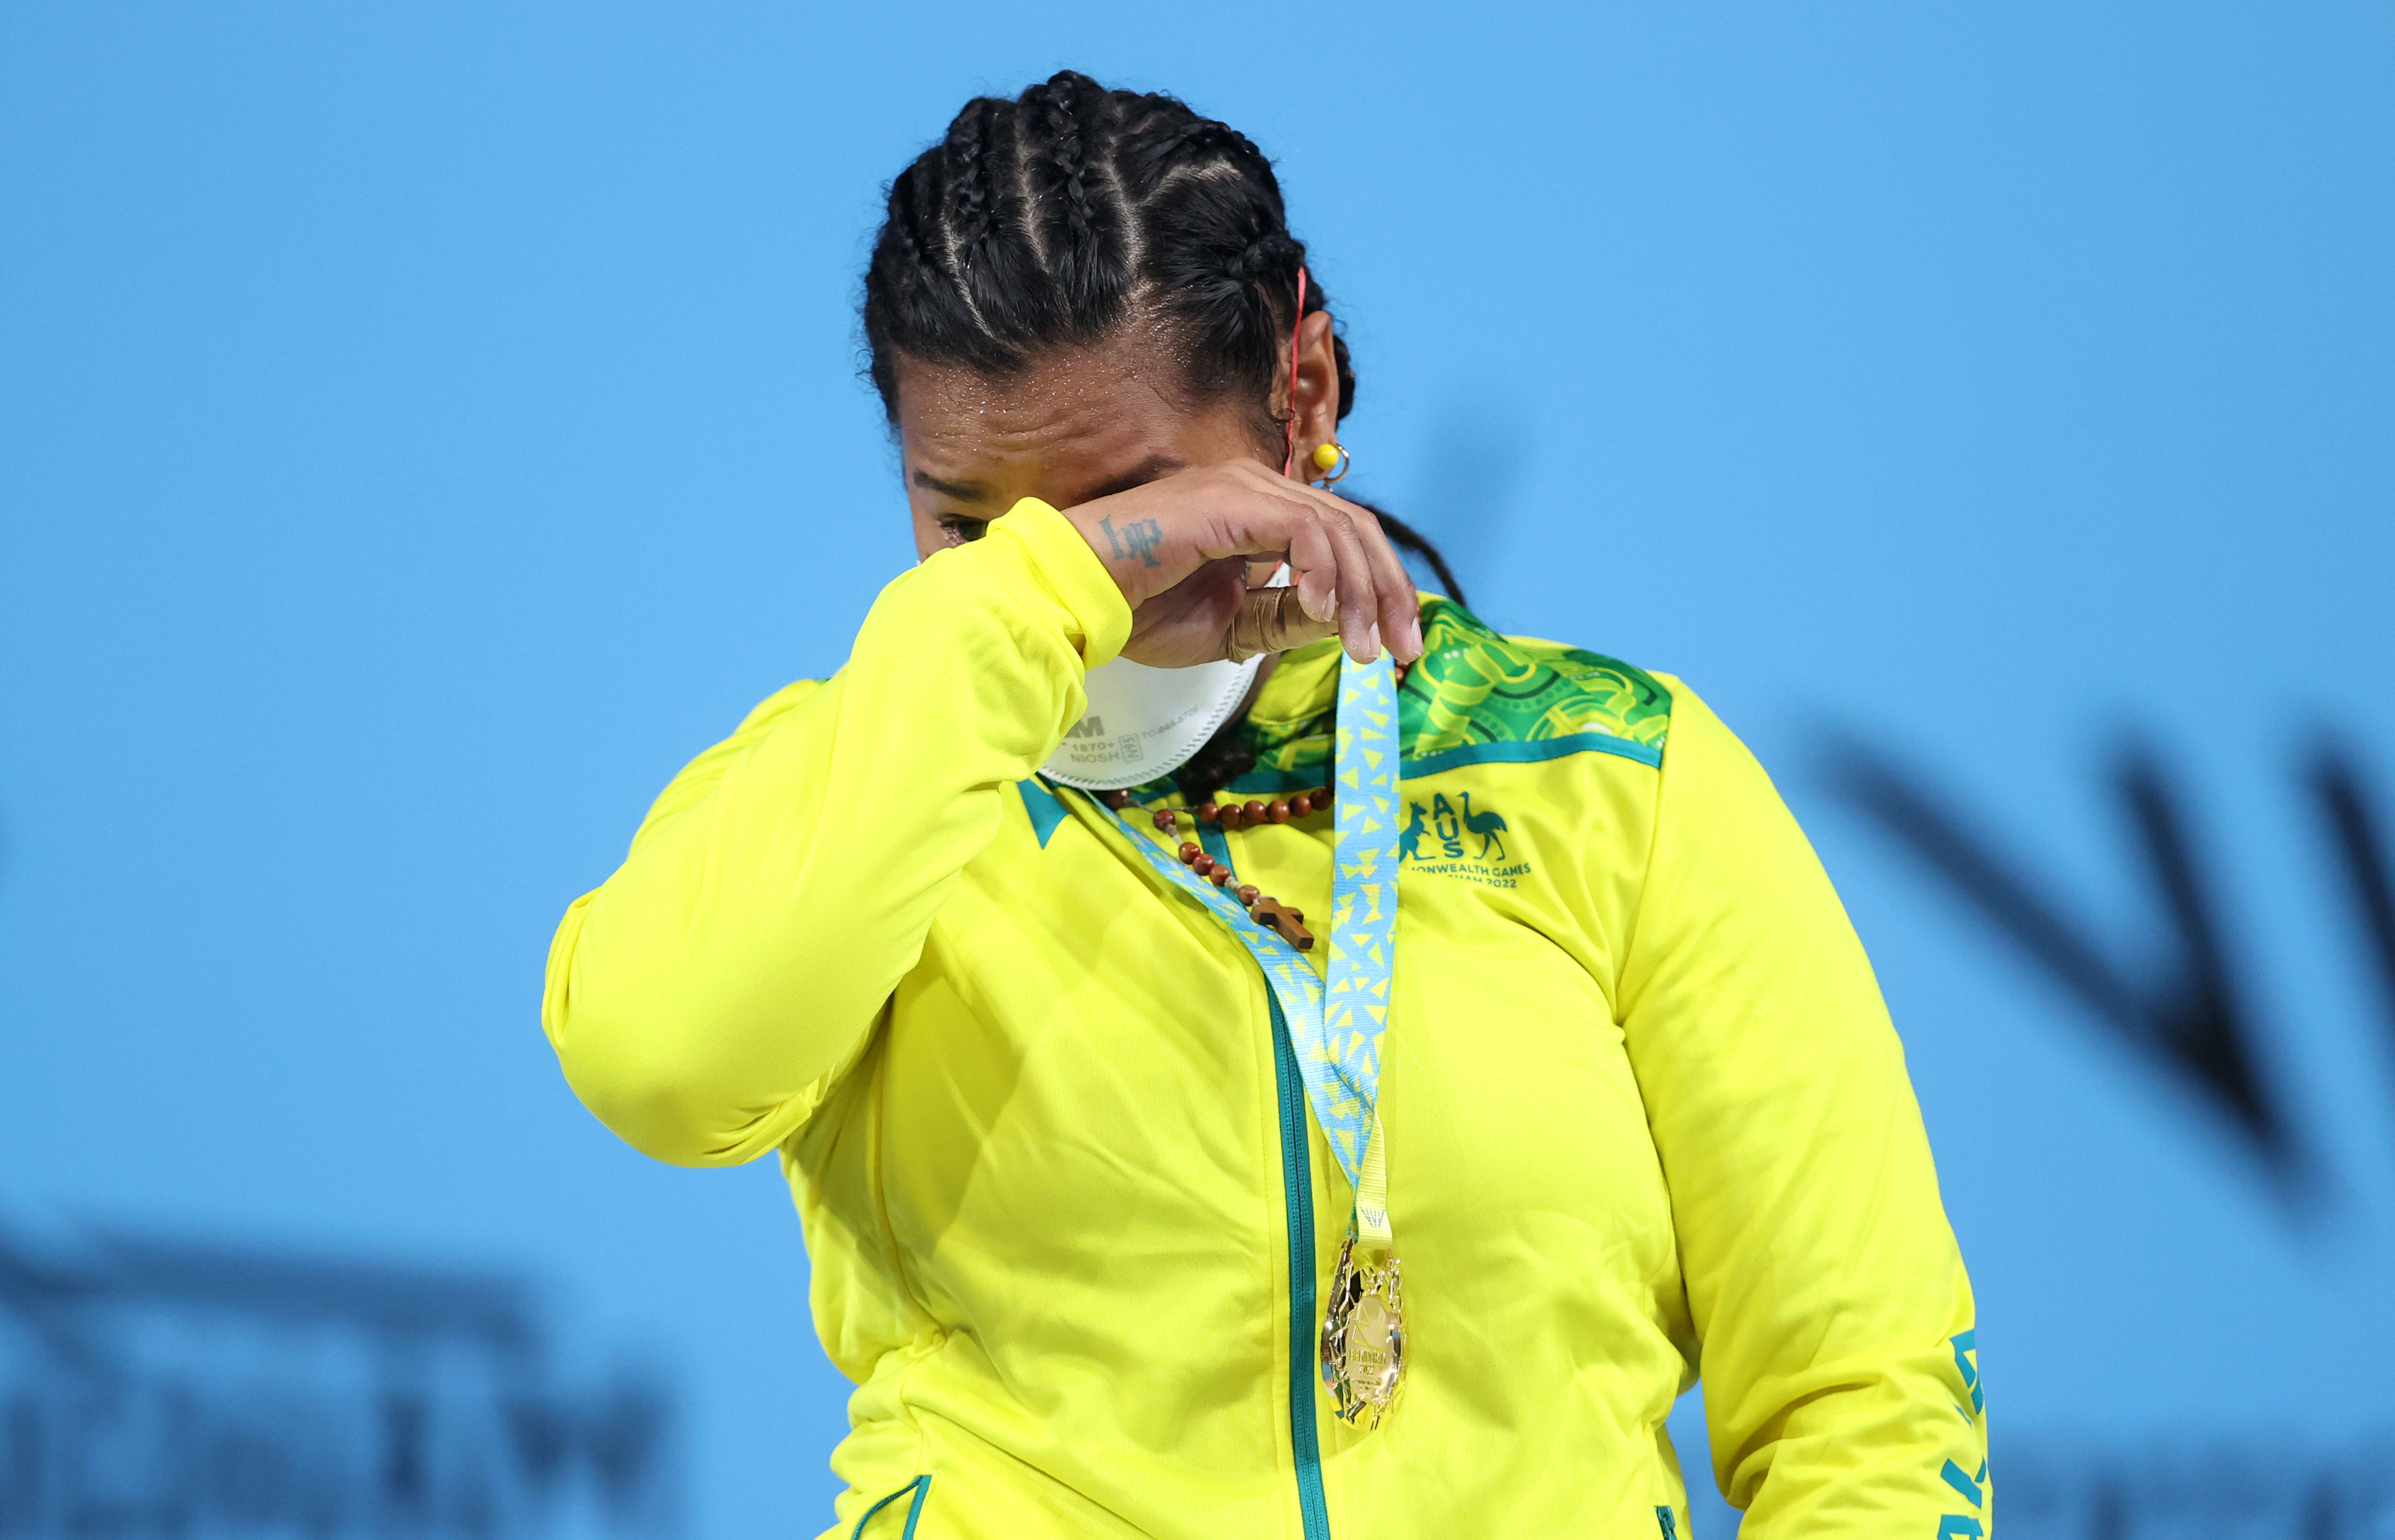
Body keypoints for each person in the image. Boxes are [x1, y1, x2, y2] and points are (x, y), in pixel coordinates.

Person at [542, 71, 1988, 1540]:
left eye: (1129, 503)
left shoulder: (1609, 773)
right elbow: (659, 1066)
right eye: (971, 527)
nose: (1091, 592)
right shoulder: (861, 783)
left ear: (1298, 397)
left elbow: (1859, 1402)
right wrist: (1008, 617)